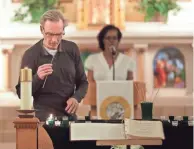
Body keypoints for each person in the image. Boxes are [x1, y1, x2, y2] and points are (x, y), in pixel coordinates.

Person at [15, 10, 88, 122]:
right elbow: (21, 93)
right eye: (49, 34)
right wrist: (37, 77)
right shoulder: (31, 54)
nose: (54, 40)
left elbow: (83, 82)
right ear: (42, 30)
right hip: (43, 120)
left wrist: (76, 98)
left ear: (63, 30)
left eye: (59, 34)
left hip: (69, 117)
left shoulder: (72, 49)